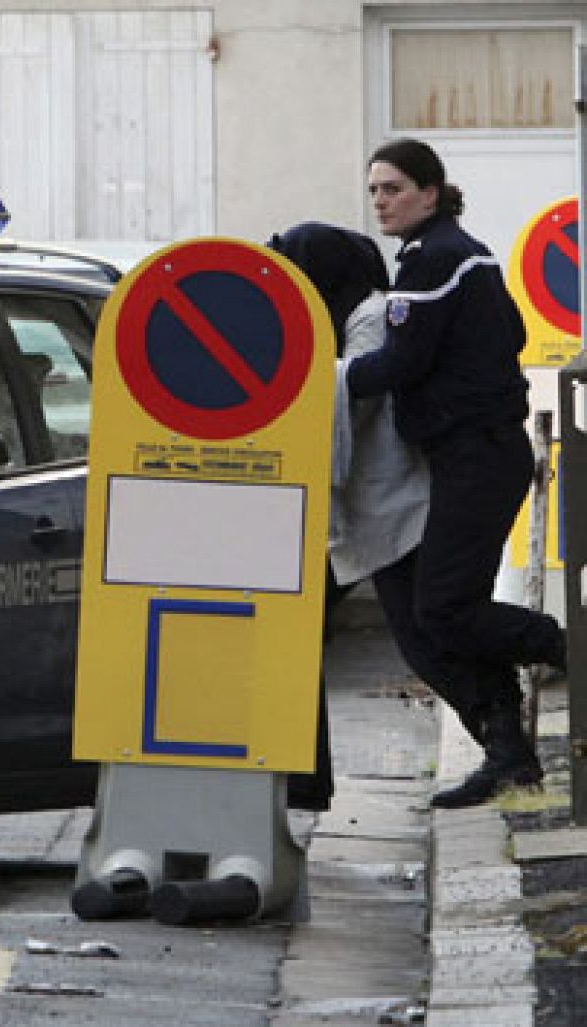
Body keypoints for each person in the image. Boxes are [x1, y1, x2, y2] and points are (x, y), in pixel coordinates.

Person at [345, 138, 566, 809]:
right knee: (436, 613)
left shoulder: (435, 259)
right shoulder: (456, 253)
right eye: (375, 190)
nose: (380, 201)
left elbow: (402, 363)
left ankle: (565, 646)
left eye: (394, 189)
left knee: (442, 607)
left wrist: (323, 381)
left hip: (477, 454)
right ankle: (510, 756)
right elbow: (513, 335)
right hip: (475, 453)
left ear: (430, 193)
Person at [271, 221, 430, 812]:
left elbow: (354, 394)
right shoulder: (355, 314)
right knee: (309, 628)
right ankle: (303, 777)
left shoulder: (369, 317)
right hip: (364, 507)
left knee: (427, 634)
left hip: (387, 503)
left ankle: (511, 730)